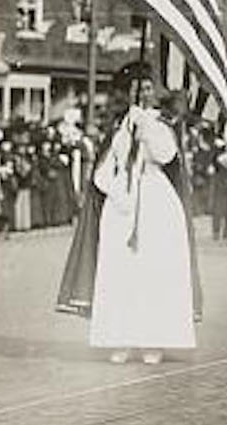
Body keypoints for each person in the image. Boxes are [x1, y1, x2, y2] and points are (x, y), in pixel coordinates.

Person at [85, 62, 198, 364]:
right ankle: (120, 337)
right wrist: (113, 187)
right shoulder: (119, 125)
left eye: (148, 88)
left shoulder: (161, 123)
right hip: (123, 202)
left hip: (154, 198)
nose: (144, 93)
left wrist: (146, 128)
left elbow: (166, 155)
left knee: (154, 270)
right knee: (121, 271)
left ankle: (154, 339)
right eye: (138, 88)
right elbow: (106, 166)